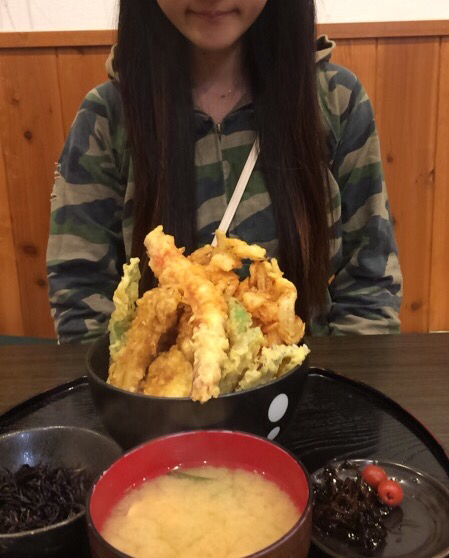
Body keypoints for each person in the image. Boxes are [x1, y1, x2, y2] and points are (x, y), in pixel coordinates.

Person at [46, 0, 402, 343]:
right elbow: (82, 303)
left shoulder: (335, 100)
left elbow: (370, 286)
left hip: (313, 378)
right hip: (157, 386)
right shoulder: (106, 119)